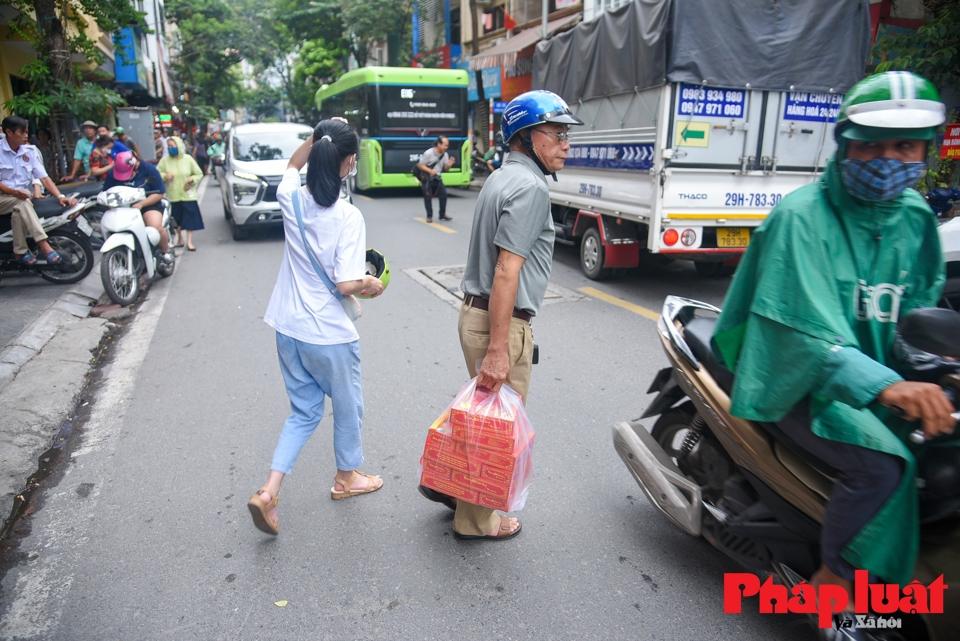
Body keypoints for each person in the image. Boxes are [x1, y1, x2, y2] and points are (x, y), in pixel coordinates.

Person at [711, 72, 954, 601]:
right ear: (845, 143)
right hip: (790, 375)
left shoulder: (914, 218)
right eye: (871, 146)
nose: (888, 159)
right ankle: (835, 582)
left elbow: (917, 313)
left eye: (905, 145)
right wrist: (887, 387)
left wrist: (936, 367)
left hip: (873, 373)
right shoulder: (801, 219)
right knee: (882, 466)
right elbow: (801, 334)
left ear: (925, 151)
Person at [418, 90, 583, 540]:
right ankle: (477, 522)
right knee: (497, 427)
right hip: (500, 324)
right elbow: (507, 269)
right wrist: (498, 348)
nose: (566, 144)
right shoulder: (529, 188)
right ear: (527, 137)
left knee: (481, 412)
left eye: (567, 134)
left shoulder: (501, 177)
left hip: (477, 314)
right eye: (557, 134)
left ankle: (445, 480)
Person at [247, 119, 385, 536]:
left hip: (287, 328)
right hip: (328, 335)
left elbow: (293, 163)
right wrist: (371, 283)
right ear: (347, 163)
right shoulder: (347, 216)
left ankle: (269, 491)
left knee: (304, 412)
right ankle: (347, 478)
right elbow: (346, 283)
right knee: (348, 407)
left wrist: (321, 133)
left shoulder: (291, 197)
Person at [0, 115, 78, 265]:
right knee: (21, 202)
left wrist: (60, 196)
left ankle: (20, 252)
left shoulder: (29, 151)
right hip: (4, 197)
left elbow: (44, 178)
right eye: (22, 132)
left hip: (20, 199)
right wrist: (15, 192)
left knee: (19, 210)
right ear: (9, 132)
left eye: (27, 132)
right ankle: (44, 245)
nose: (26, 136)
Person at [104, 150, 173, 262]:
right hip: (123, 208)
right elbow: (106, 192)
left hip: (148, 205)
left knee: (155, 227)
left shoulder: (149, 169)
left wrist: (141, 204)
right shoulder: (113, 173)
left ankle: (166, 252)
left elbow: (159, 193)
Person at [158, 136, 204, 251]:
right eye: (168, 147)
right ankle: (180, 238)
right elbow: (157, 173)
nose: (170, 148)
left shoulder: (188, 159)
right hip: (173, 195)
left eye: (172, 146)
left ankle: (189, 241)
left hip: (188, 194)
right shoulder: (164, 161)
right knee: (176, 220)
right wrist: (165, 176)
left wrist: (192, 179)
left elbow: (199, 173)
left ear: (178, 146)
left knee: (189, 219)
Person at [416, 135, 455, 222]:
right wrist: (430, 171)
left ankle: (442, 215)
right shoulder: (428, 153)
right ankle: (429, 216)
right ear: (438, 144)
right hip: (426, 177)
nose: (446, 147)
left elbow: (445, 169)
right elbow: (420, 165)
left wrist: (449, 164)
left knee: (443, 194)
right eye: (445, 145)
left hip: (437, 177)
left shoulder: (445, 154)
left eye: (447, 145)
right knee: (428, 196)